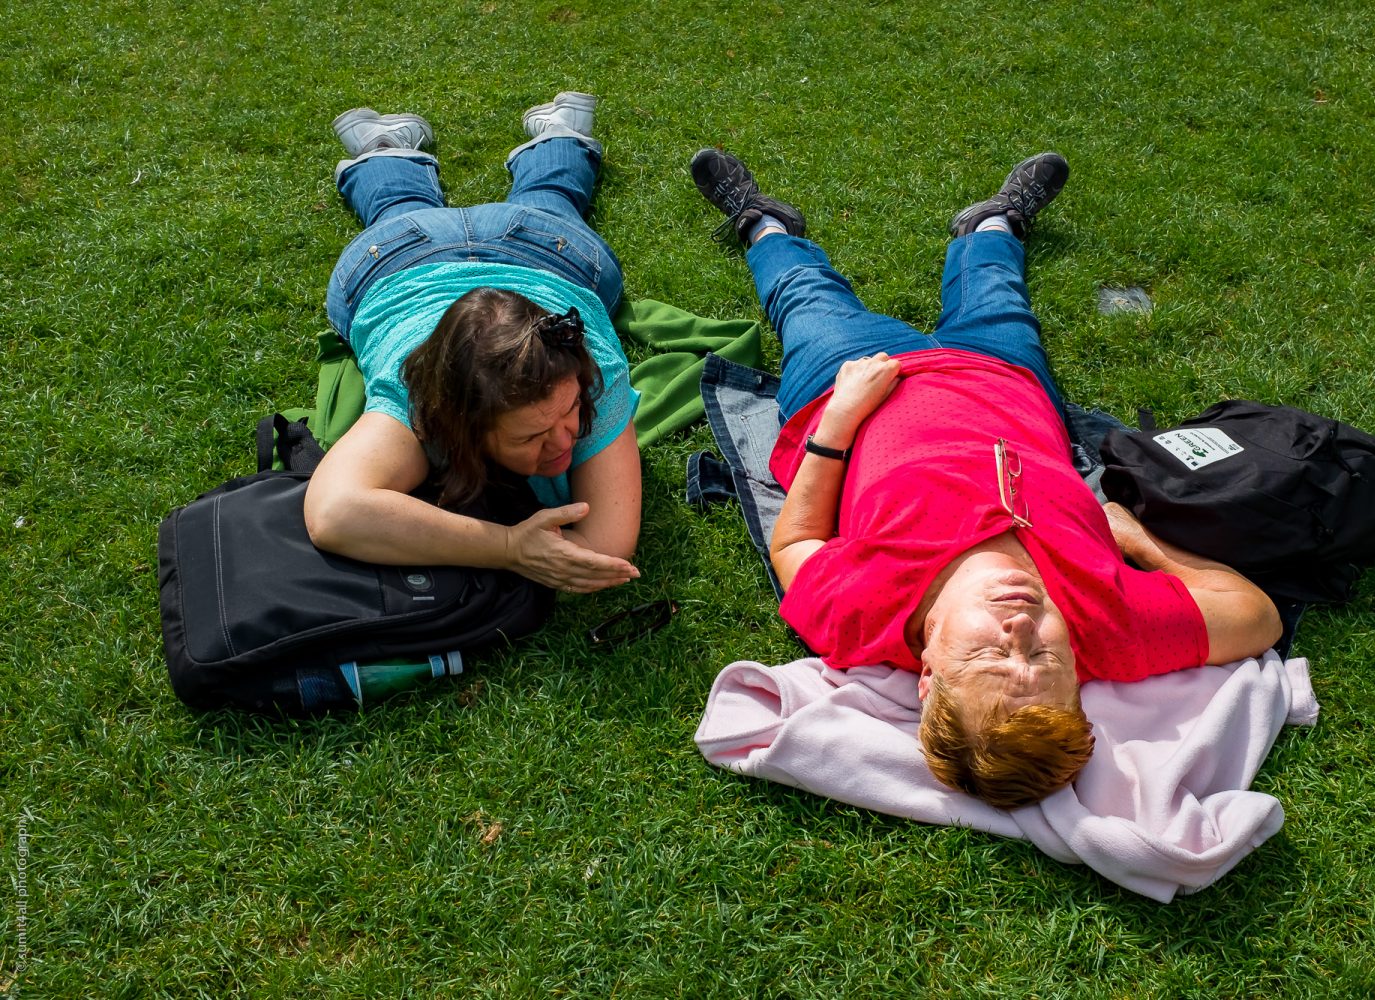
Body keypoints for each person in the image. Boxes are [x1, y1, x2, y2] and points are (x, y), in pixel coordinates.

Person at [689, 147, 1283, 809]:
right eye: (1047, 664)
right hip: (1005, 379)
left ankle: (760, 221)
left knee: (805, 299)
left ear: (928, 677)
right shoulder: (1114, 629)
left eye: (992, 661)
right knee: (998, 290)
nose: (1023, 634)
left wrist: (839, 425)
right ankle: (994, 223)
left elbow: (793, 544)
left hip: (846, 382)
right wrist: (1141, 542)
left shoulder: (860, 615)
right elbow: (1256, 617)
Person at [304, 93, 642, 595]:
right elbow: (333, 514)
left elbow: (606, 549)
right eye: (529, 437)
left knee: (415, 208)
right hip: (427, 255)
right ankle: (552, 137)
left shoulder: (588, 372)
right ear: (460, 425)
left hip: (498, 253)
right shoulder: (418, 399)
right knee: (547, 198)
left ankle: (388, 150)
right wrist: (507, 547)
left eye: (569, 410)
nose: (565, 441)